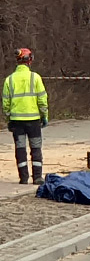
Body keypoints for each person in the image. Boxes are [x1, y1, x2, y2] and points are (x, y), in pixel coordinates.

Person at [2, 48, 48, 185]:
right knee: (35, 148)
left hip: (17, 121)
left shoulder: (9, 80)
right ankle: (37, 177)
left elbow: (5, 103)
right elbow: (42, 99)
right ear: (30, 60)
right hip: (33, 120)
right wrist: (44, 115)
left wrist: (8, 118)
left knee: (20, 148)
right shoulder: (35, 77)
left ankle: (23, 178)